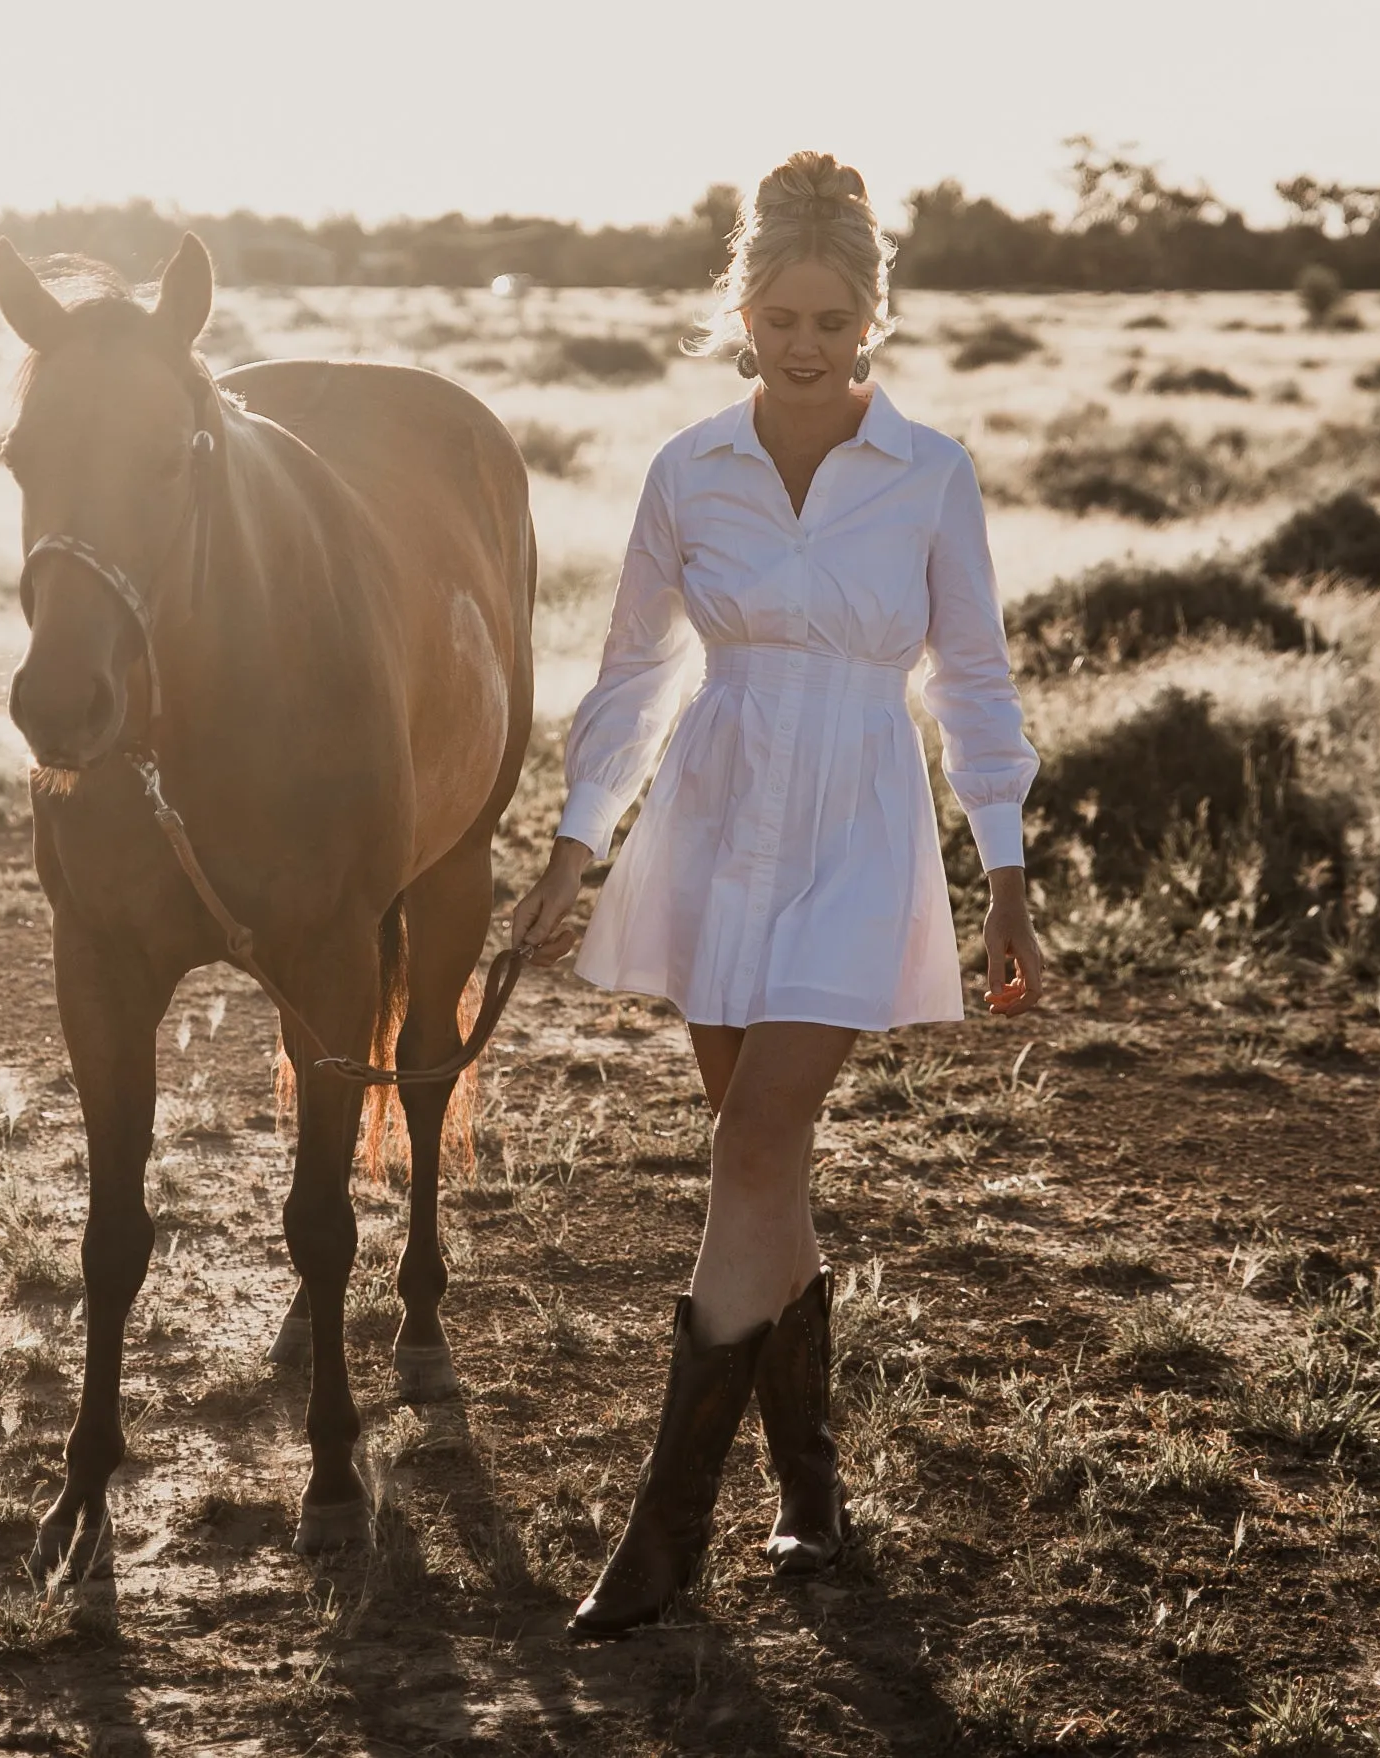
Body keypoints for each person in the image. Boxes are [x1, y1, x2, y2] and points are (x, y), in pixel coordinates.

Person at [509, 151, 1044, 1637]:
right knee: (765, 1170)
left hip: (863, 835)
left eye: (832, 318)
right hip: (715, 825)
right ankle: (810, 1497)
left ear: (874, 312)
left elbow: (974, 681)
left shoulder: (930, 474)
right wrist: (571, 849)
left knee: (752, 1147)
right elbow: (634, 676)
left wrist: (1004, 870)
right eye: (780, 316)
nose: (805, 344)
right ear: (739, 308)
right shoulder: (688, 470)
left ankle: (664, 1529)